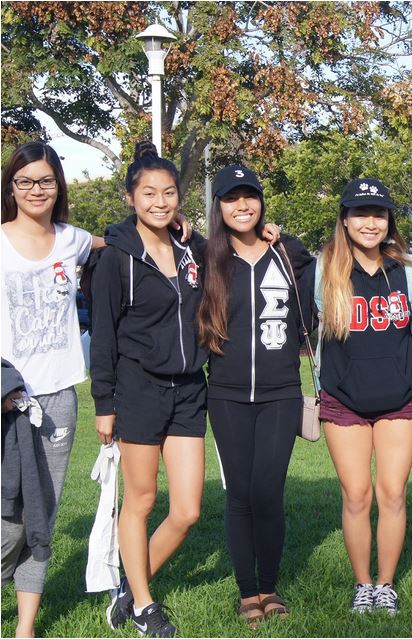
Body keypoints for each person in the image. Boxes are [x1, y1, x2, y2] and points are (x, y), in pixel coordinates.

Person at [90, 141, 208, 638]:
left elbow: (225, 250)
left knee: (186, 510)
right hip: (138, 390)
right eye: (149, 193)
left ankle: (128, 587)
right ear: (130, 197)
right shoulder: (116, 257)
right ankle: (143, 605)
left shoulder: (190, 249)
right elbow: (103, 333)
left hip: (189, 389)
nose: (160, 202)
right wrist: (103, 404)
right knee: (139, 501)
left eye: (169, 193)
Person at [195, 165, 314, 627]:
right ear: (219, 207)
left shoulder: (283, 254)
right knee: (240, 495)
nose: (242, 206)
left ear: (261, 203)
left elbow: (311, 268)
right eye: (231, 198)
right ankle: (249, 593)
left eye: (250, 197)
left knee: (269, 491)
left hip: (281, 394)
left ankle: (270, 586)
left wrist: (285, 240)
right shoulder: (207, 257)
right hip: (224, 395)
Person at [1, 141, 102, 638]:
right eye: (25, 181)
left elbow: (120, 243)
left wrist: (176, 226)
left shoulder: (73, 240)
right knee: (7, 521)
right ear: (11, 187)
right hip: (4, 400)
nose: (36, 190)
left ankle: (24, 629)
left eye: (45, 180)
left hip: (59, 398)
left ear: (58, 185)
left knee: (41, 517)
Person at [318, 178, 412, 615]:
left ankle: (386, 584)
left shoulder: (411, 272)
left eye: (378, 214)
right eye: (360, 213)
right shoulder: (323, 271)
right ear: (344, 220)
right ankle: (363, 584)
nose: (369, 222)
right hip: (343, 399)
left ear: (388, 221)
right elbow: (275, 252)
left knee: (392, 493)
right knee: (356, 495)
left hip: (400, 397)